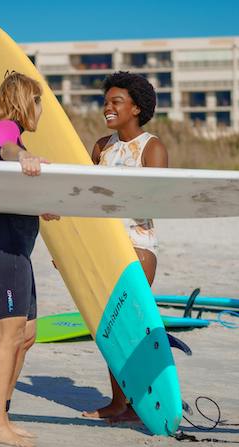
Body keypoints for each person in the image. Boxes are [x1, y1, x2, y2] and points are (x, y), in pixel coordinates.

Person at [82, 71, 169, 423]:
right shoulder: (101, 147)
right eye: (106, 102)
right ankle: (121, 402)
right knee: (109, 328)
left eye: (116, 102)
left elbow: (154, 201)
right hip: (102, 244)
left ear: (136, 108)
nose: (108, 108)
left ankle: (138, 400)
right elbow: (84, 200)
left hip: (137, 245)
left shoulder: (153, 147)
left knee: (129, 325)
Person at [0, 72, 58, 447]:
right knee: (9, 337)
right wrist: (23, 156)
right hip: (5, 250)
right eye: (39, 100)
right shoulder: (4, 129)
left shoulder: (12, 134)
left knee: (26, 336)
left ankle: (3, 415)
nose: (42, 108)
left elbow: (7, 190)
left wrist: (38, 206)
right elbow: (8, 148)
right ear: (26, 101)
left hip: (17, 251)